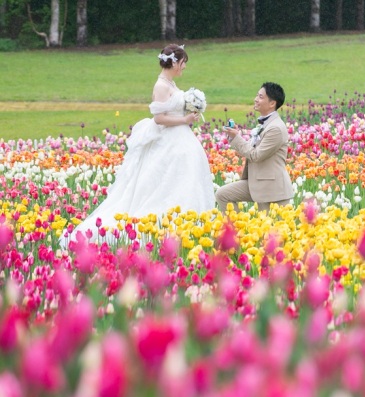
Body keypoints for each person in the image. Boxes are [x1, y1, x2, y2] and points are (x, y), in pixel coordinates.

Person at [61, 43, 215, 247]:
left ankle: (189, 220)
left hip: (181, 139)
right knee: (167, 182)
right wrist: (184, 120)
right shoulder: (160, 86)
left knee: (184, 179)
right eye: (183, 63)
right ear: (175, 63)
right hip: (170, 139)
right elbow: (159, 118)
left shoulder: (171, 84)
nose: (184, 67)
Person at [216, 82, 294, 213]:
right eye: (257, 96)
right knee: (222, 195)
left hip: (272, 190)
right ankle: (234, 232)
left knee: (272, 232)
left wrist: (237, 137)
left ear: (272, 103)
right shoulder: (266, 124)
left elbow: (256, 155)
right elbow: (252, 149)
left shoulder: (275, 128)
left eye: (260, 97)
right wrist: (234, 135)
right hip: (256, 182)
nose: (255, 99)